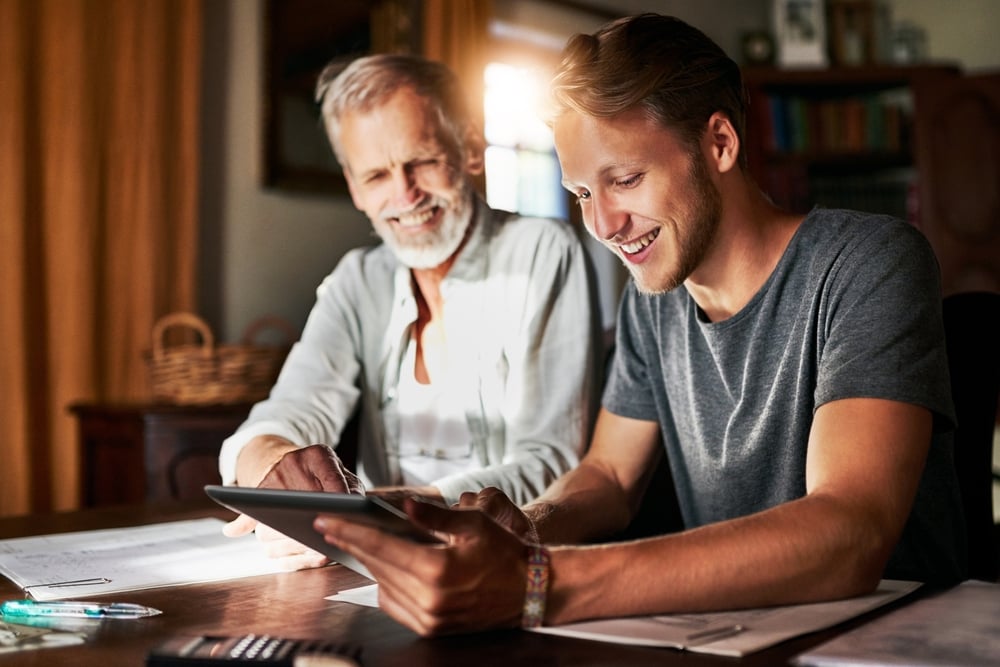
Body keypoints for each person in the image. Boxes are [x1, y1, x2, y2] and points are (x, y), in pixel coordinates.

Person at [310, 14, 966, 636]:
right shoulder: (653, 300)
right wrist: (528, 524)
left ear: (719, 142)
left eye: (624, 179)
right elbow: (611, 478)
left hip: (889, 637)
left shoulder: (871, 263)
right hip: (734, 632)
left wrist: (537, 579)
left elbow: (848, 532)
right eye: (583, 194)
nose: (603, 226)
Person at [218, 53, 604, 569]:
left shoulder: (543, 251)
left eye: (421, 161)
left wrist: (383, 509)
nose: (405, 194)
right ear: (355, 188)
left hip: (506, 569)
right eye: (376, 175)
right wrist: (267, 462)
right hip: (381, 569)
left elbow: (551, 462)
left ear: (468, 149)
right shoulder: (357, 280)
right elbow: (285, 412)